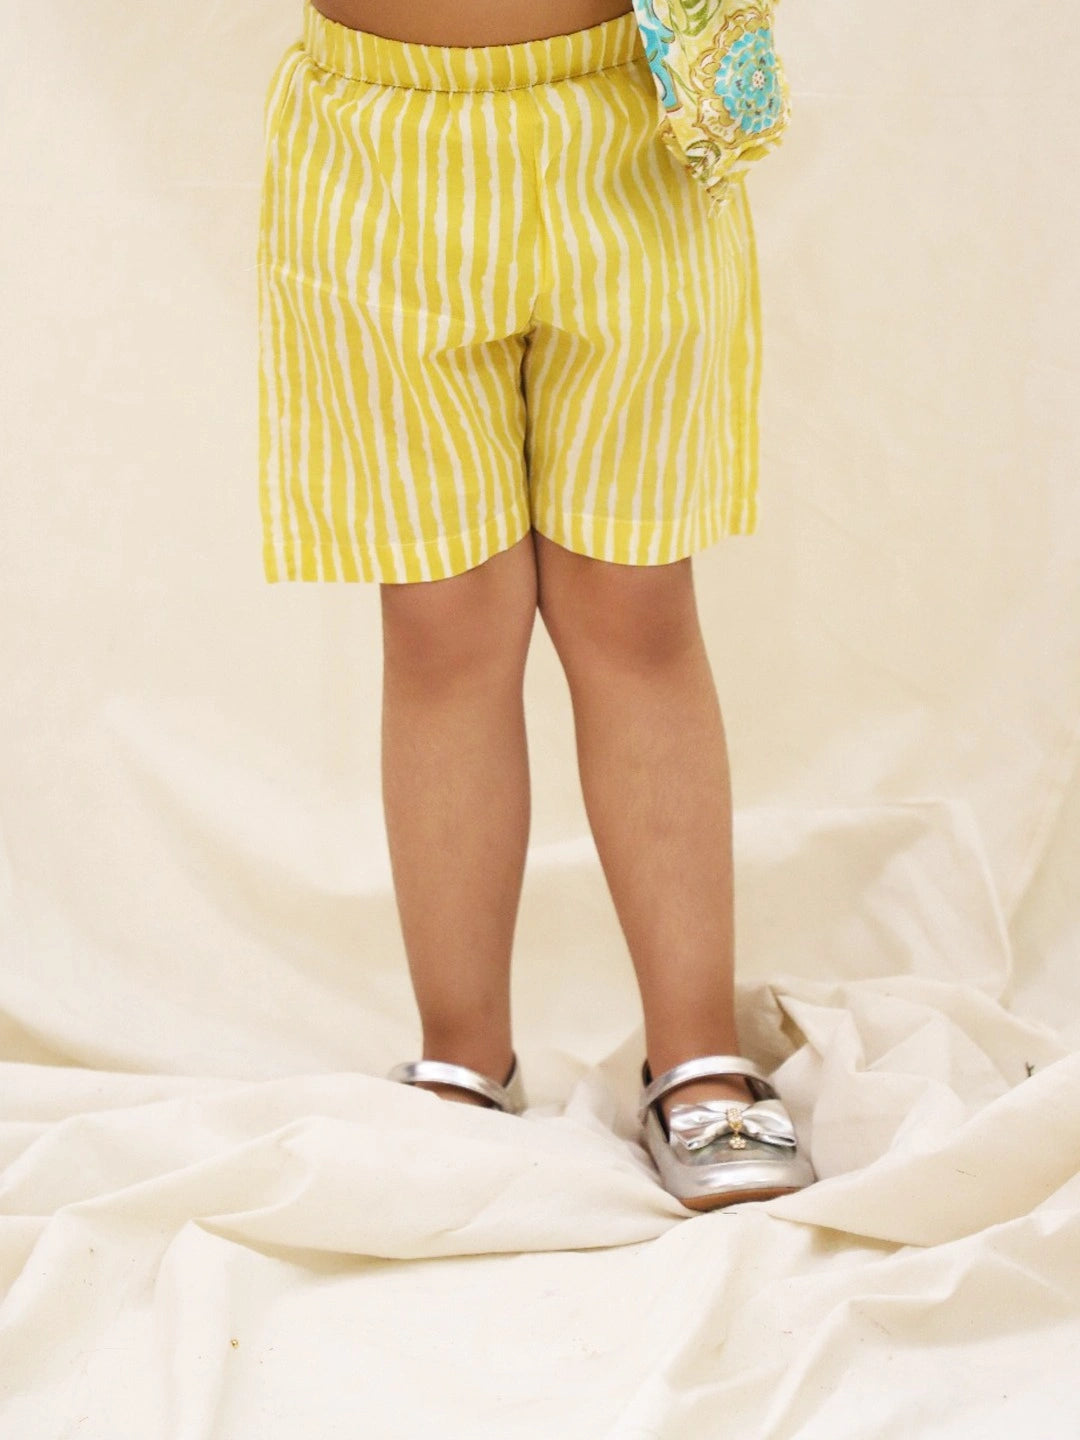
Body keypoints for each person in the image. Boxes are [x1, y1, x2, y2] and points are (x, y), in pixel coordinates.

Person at [257, 0, 814, 1210]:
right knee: (441, 620)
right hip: (375, 141)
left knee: (636, 604)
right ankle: (464, 1056)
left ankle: (695, 1051)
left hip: (631, 122)